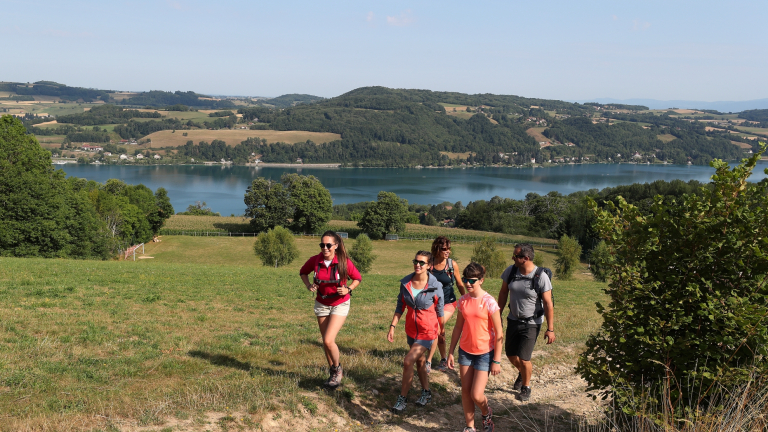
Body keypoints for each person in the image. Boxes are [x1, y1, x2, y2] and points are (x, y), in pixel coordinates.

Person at [299, 231, 362, 388]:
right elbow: (303, 272)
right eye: (322, 245)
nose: (325, 248)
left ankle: (337, 369)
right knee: (326, 343)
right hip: (321, 303)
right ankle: (333, 374)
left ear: (336, 245)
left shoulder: (343, 262)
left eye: (328, 245)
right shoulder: (315, 261)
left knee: (328, 340)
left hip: (340, 303)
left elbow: (358, 278)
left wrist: (348, 289)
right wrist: (309, 285)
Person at [447, 263, 503, 432]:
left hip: (485, 353)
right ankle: (470, 427)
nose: (468, 284)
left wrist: (497, 360)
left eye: (472, 280)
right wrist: (450, 352)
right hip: (465, 352)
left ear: (481, 280)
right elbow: (457, 327)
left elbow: (499, 332)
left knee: (476, 395)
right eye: (465, 280)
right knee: (465, 392)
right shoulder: (463, 301)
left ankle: (486, 414)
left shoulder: (489, 302)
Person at [387, 251, 445, 414]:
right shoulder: (406, 282)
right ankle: (426, 392)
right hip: (411, 330)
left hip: (428, 331)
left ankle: (402, 399)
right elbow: (400, 306)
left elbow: (440, 309)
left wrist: (442, 330)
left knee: (408, 361)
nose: (417, 265)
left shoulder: (435, 285)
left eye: (421, 262)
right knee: (420, 362)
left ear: (429, 266)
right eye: (416, 261)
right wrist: (392, 326)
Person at [497, 243, 555, 402]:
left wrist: (550, 329)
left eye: (515, 256)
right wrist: (498, 315)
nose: (512, 258)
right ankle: (523, 372)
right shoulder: (511, 271)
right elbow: (503, 293)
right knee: (510, 355)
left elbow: (548, 304)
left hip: (532, 323)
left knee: (524, 358)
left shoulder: (540, 276)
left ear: (526, 258)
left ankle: (526, 387)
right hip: (513, 320)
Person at [426, 236, 466, 373]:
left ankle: (435, 359)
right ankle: (441, 357)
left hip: (448, 302)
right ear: (437, 249)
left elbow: (460, 283)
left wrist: (466, 299)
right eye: (444, 249)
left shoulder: (451, 264)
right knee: (436, 331)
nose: (447, 251)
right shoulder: (429, 263)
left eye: (449, 249)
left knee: (437, 326)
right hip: (432, 303)